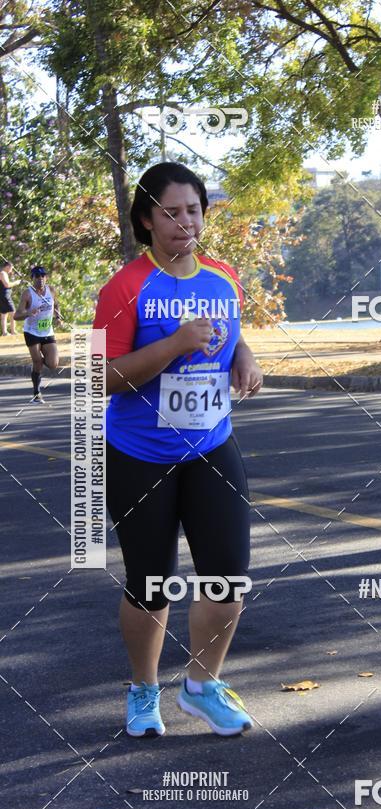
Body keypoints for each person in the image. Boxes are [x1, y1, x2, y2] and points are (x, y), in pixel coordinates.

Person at [93, 162, 263, 739]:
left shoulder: (223, 276)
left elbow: (233, 334)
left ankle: (200, 686)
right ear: (147, 219)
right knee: (152, 583)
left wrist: (244, 358)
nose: (184, 221)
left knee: (228, 578)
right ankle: (144, 691)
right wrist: (173, 344)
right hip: (141, 455)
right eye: (170, 212)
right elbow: (102, 377)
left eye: (193, 209)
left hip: (212, 447)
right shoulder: (124, 288)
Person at [14, 265, 61, 402]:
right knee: (37, 362)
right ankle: (36, 392)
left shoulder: (51, 290)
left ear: (46, 278)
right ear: (32, 278)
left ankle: (38, 365)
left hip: (47, 331)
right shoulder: (27, 294)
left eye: (43, 276)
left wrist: (58, 317)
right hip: (32, 332)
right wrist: (29, 313)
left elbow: (56, 304)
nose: (40, 279)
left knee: (53, 364)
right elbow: (17, 316)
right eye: (37, 276)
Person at [0, 261, 20, 337]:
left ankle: (5, 332)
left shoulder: (3, 273)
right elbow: (7, 285)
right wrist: (16, 282)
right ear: (7, 267)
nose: (11, 270)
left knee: (4, 314)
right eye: (11, 268)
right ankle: (13, 331)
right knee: (13, 313)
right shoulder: (3, 273)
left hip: (3, 296)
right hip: (5, 296)